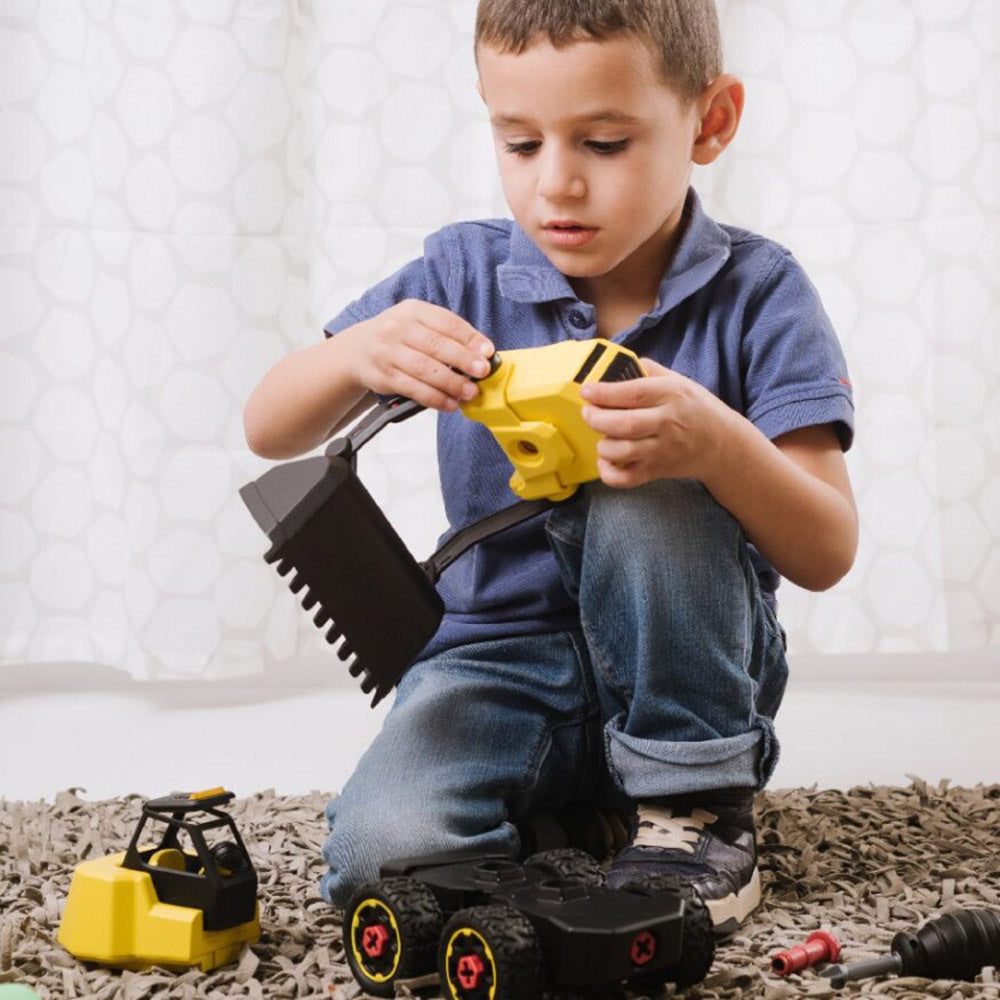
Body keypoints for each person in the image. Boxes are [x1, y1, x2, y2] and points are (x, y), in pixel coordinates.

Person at [243, 0, 857, 933]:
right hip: (491, 664)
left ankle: (693, 805)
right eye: (520, 144)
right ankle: (585, 823)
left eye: (605, 143)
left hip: (686, 671)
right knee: (378, 861)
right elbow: (267, 427)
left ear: (711, 122)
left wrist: (716, 443)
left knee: (645, 489)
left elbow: (828, 548)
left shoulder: (761, 293)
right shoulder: (462, 275)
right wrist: (355, 354)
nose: (556, 186)